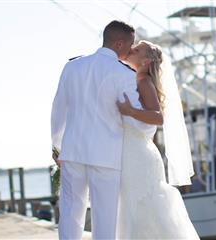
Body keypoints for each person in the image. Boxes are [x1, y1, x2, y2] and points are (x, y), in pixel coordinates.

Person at [51, 20, 153, 239]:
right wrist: (148, 132)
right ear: (119, 43)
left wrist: (57, 146)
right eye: (130, 44)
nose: (130, 50)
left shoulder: (72, 66)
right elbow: (135, 119)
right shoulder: (123, 73)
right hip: (106, 156)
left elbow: (59, 109)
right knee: (105, 219)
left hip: (73, 152)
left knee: (70, 213)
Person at [116, 40, 200, 239]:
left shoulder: (143, 81)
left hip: (139, 156)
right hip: (131, 153)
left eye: (136, 50)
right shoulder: (131, 79)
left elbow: (158, 116)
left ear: (145, 61)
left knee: (142, 204)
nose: (131, 49)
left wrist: (130, 111)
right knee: (132, 206)